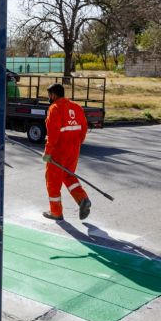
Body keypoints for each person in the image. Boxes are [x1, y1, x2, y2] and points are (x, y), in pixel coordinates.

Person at [41, 83, 91, 221]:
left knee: (52, 181)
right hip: (73, 150)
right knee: (68, 176)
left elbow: (53, 134)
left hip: (59, 151)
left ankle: (56, 212)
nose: (48, 97)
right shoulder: (76, 107)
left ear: (54, 95)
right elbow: (83, 128)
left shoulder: (54, 108)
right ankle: (82, 199)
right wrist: (77, 143)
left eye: (49, 95)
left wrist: (47, 152)